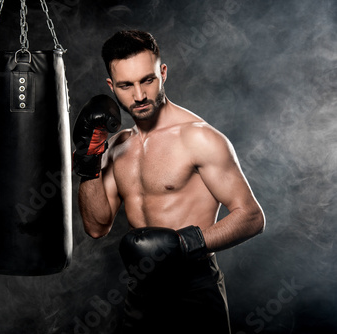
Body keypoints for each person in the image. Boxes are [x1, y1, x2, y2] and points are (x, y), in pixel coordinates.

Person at [72, 30, 265, 333]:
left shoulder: (198, 137)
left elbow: (252, 217)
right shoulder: (117, 146)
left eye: (147, 80)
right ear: (112, 86)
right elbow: (96, 227)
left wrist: (185, 244)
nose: (138, 95)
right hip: (142, 291)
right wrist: (89, 162)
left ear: (162, 73)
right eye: (126, 85)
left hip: (195, 289)